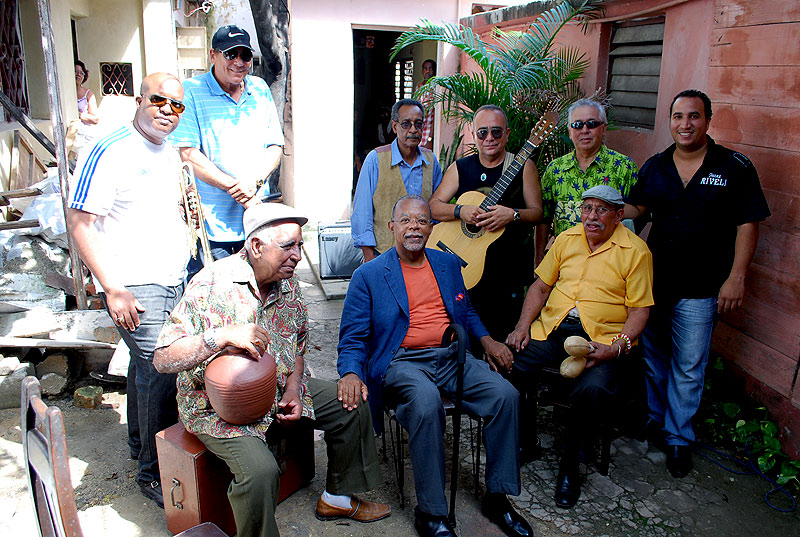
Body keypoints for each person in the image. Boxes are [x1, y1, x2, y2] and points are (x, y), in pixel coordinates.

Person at [153, 203, 390, 537]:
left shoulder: (289, 286)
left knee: (350, 403)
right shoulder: (211, 285)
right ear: (256, 246)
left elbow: (298, 348)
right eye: (288, 246)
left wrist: (293, 389)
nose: (297, 256)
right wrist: (221, 337)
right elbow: (163, 358)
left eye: (300, 246)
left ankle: (336, 498)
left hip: (277, 388)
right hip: (218, 407)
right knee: (260, 471)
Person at [338, 195, 533, 537]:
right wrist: (351, 372)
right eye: (406, 221)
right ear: (392, 227)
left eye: (421, 221)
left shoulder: (447, 264)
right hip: (403, 361)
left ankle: (498, 497)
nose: (414, 227)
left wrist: (487, 341)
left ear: (432, 227)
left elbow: (466, 311)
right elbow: (353, 337)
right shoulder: (368, 275)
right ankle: (431, 512)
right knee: (426, 402)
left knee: (506, 396)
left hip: (452, 356)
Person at [624, 89, 770, 478]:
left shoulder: (734, 166)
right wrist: (604, 208)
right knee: (654, 358)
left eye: (693, 116)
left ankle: (678, 439)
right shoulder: (656, 166)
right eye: (678, 117)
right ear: (670, 121)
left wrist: (737, 277)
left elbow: (748, 223)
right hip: (655, 282)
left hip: (703, 286)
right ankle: (656, 421)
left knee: (689, 365)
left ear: (707, 120)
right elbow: (638, 209)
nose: (685, 124)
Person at [66, 73, 190, 508]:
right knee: (162, 369)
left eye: (176, 105)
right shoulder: (110, 148)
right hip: (134, 283)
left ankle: (141, 445)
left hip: (173, 278)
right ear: (140, 100)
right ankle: (154, 473)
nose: (167, 110)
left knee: (145, 369)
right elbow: (79, 221)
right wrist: (112, 288)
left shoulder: (168, 152)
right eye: (158, 100)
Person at [506, 185, 653, 509]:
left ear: (619, 215)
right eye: (587, 208)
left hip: (601, 339)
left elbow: (639, 311)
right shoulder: (567, 239)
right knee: (510, 362)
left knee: (591, 389)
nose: (592, 217)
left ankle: (571, 466)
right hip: (555, 329)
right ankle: (525, 441)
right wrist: (522, 327)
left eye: (602, 209)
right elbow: (541, 287)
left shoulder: (636, 251)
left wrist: (616, 348)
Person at [171, 24, 284, 273]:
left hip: (256, 217)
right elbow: (188, 154)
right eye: (231, 54)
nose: (239, 62)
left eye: (245, 55)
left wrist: (253, 183)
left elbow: (274, 145)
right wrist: (238, 190)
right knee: (219, 289)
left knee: (260, 288)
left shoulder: (259, 88)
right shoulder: (191, 90)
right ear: (213, 55)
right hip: (213, 225)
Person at [429, 104, 542, 346]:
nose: (489, 138)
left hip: (505, 273)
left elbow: (538, 213)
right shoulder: (461, 168)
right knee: (459, 335)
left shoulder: (523, 167)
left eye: (496, 132)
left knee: (500, 340)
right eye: (482, 132)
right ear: (473, 134)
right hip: (465, 267)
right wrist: (460, 210)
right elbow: (433, 206)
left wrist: (512, 214)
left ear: (507, 134)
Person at [536, 98, 638, 264]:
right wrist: (539, 260)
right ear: (570, 131)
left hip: (609, 263)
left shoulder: (624, 167)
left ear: (603, 129)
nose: (584, 130)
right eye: (577, 125)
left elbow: (636, 215)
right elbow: (544, 219)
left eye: (591, 124)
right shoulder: (555, 169)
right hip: (564, 262)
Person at [351, 98, 442, 262]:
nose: (413, 129)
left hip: (422, 256)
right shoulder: (376, 160)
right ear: (395, 126)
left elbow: (438, 208)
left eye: (418, 124)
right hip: (383, 255)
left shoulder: (431, 161)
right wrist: (370, 259)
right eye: (406, 124)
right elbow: (362, 214)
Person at [416, 59, 436, 150]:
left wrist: (430, 139)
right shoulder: (419, 87)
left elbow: (435, 115)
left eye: (430, 69)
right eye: (425, 68)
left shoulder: (436, 88)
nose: (428, 71)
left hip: (427, 136)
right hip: (418, 135)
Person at [74, 60, 99, 125]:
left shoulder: (88, 94)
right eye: (75, 71)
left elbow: (95, 119)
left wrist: (78, 115)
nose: (78, 74)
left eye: (81, 73)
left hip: (85, 129)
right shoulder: (66, 92)